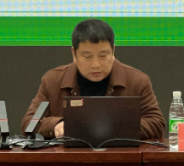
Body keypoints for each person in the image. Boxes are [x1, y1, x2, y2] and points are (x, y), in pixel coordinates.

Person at [21, 18, 165, 142]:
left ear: (113, 51)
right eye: (87, 56)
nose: (96, 64)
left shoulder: (137, 81)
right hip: (67, 160)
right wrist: (57, 124)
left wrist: (112, 126)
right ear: (74, 54)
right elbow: (29, 123)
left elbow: (157, 123)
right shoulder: (53, 80)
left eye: (103, 56)